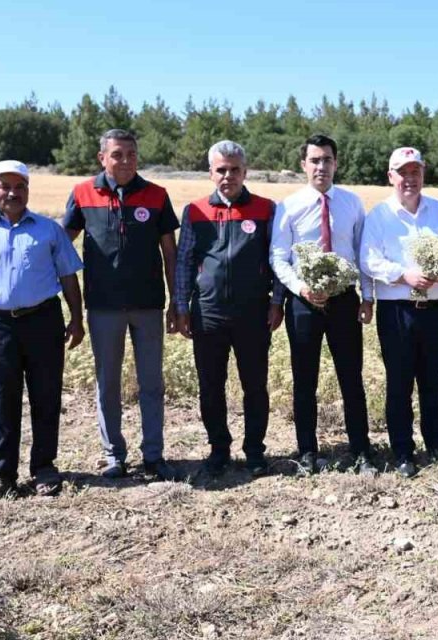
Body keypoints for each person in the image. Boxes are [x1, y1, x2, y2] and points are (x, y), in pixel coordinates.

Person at [0, 160, 85, 502]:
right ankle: (1, 475)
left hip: (43, 320)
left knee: (46, 396)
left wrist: (77, 318)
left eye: (20, 186)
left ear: (28, 190)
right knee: (3, 400)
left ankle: (44, 469)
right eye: (5, 186)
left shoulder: (49, 230)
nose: (13, 193)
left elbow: (69, 276)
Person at [63, 129, 180, 482]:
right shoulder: (83, 193)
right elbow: (60, 242)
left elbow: (169, 252)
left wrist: (177, 300)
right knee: (107, 382)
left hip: (147, 305)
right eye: (117, 154)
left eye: (131, 153)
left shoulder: (157, 195)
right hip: (102, 306)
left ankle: (154, 456)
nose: (125, 160)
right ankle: (114, 455)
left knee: (151, 383)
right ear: (102, 158)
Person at [174, 140, 285, 479]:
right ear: (211, 173)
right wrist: (181, 306)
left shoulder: (267, 209)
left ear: (245, 172)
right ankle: (219, 449)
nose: (228, 176)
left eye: (234, 169)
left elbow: (278, 259)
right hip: (208, 313)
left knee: (255, 384)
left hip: (253, 313)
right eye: (221, 170)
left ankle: (254, 451)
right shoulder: (195, 211)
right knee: (210, 385)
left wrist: (277, 301)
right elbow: (183, 262)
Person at [270, 134, 377, 476]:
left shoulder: (352, 203)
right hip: (304, 302)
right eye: (314, 160)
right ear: (304, 165)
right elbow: (278, 256)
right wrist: (301, 288)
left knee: (351, 378)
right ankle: (307, 453)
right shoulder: (288, 206)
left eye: (327, 159)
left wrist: (367, 295)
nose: (321, 166)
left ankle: (361, 451)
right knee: (305, 380)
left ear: (336, 163)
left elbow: (363, 254)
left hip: (345, 301)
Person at [361, 147, 438, 478]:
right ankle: (402, 451)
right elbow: (369, 261)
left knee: (433, 381)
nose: (409, 179)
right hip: (396, 311)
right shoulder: (379, 216)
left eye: (415, 172)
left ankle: (437, 446)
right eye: (402, 173)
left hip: (433, 310)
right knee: (399, 384)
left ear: (423, 174)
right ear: (391, 177)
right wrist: (405, 275)